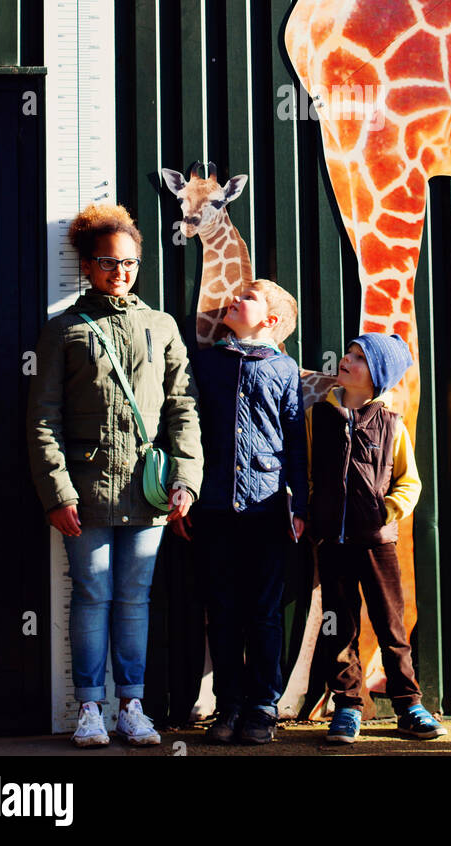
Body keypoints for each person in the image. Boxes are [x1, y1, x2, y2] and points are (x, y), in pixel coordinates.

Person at [27, 203, 203, 748]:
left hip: (147, 489)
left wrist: (187, 479)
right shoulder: (63, 331)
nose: (120, 272)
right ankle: (90, 709)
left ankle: (132, 705)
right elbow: (43, 417)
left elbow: (183, 406)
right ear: (87, 265)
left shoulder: (161, 325)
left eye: (129, 263)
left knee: (135, 597)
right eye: (107, 262)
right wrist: (57, 491)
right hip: (85, 490)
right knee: (93, 593)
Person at [174, 280, 308, 745]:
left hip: (268, 508)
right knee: (223, 609)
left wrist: (301, 505)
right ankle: (228, 705)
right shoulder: (207, 363)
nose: (234, 299)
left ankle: (263, 706)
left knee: (265, 613)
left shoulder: (284, 369)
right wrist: (187, 490)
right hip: (214, 507)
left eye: (248, 298)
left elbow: (295, 437)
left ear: (270, 321)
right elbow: (189, 429)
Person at [307, 332, 447, 744]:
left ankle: (408, 706)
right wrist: (315, 513)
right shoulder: (319, 417)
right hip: (332, 542)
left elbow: (410, 481)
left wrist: (387, 510)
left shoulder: (391, 424)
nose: (346, 360)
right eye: (348, 353)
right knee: (339, 627)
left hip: (378, 541)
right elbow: (310, 474)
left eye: (359, 358)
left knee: (391, 625)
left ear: (378, 377)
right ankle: (348, 707)